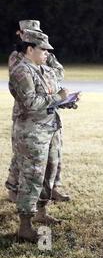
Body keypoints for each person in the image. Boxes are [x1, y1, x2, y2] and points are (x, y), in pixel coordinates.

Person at [9, 29, 69, 242]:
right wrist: (56, 98)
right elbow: (30, 103)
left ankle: (42, 212)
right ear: (30, 49)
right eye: (43, 49)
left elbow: (50, 94)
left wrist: (65, 101)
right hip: (31, 134)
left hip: (50, 129)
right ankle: (25, 226)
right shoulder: (21, 71)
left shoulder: (41, 69)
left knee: (49, 173)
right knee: (32, 177)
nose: (47, 53)